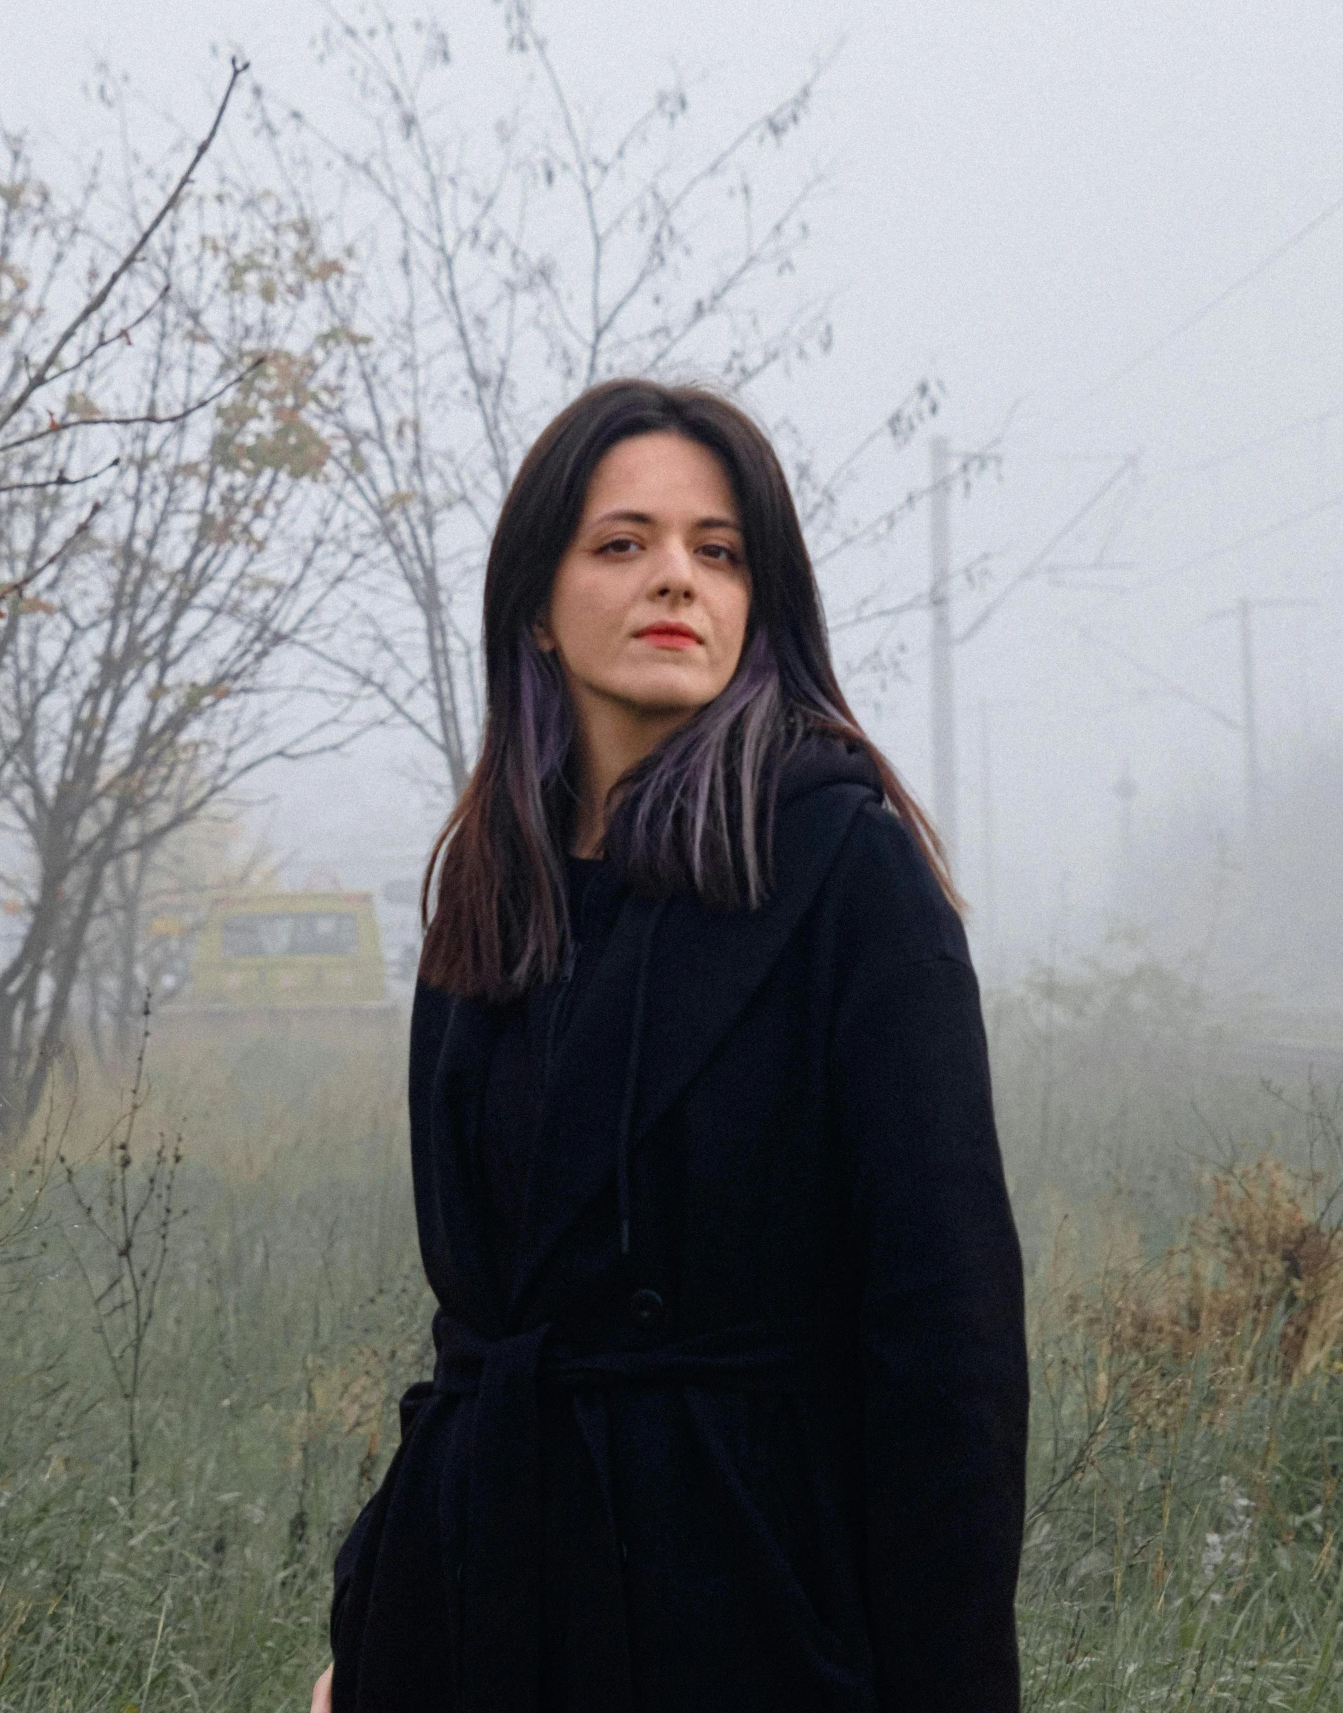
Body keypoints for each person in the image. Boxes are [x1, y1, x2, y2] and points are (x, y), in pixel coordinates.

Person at [312, 379, 1028, 1713]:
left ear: (761, 603)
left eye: (718, 550)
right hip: (477, 1606)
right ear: (536, 597)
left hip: (743, 1614)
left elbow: (948, 1344)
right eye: (622, 542)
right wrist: (382, 1609)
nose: (675, 581)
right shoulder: (490, 880)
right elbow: (472, 1329)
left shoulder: (844, 870)